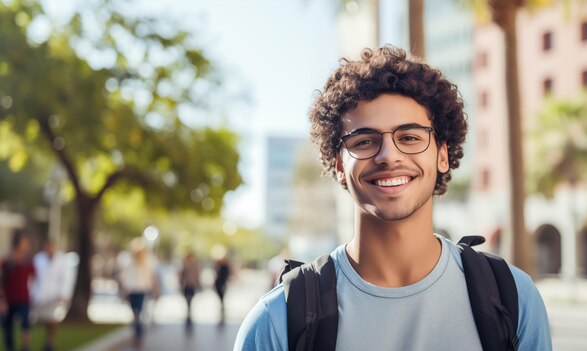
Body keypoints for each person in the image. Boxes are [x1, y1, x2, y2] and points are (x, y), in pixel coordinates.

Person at [234, 46, 552, 350]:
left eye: (410, 137)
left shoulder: (514, 297)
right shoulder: (276, 319)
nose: (389, 155)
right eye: (364, 140)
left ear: (442, 154)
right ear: (340, 165)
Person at [32, 237, 70, 351]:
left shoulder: (61, 259)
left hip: (55, 295)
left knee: (53, 320)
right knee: (44, 320)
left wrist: (64, 294)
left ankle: (50, 343)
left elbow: (66, 279)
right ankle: (46, 342)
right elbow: (34, 279)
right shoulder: (38, 259)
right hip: (41, 296)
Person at [118, 241, 159, 349]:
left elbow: (152, 275)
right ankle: (137, 326)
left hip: (141, 288)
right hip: (132, 288)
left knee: (138, 310)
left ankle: (138, 328)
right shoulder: (130, 260)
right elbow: (125, 275)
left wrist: (154, 288)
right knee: (134, 309)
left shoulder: (147, 260)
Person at [0, 229, 36, 351]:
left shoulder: (28, 262)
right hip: (9, 300)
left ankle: (25, 347)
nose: (26, 245)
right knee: (8, 328)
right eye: (24, 242)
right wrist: (2, 301)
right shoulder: (7, 262)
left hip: (24, 299)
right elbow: (2, 283)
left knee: (26, 325)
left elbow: (34, 279)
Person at [179, 251, 201, 333]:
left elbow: (197, 276)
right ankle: (188, 315)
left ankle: (189, 314)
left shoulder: (195, 266)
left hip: (192, 286)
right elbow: (181, 276)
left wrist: (198, 285)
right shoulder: (184, 265)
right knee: (188, 301)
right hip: (186, 286)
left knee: (190, 301)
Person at [213, 254, 230, 325]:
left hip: (222, 285)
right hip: (218, 284)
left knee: (222, 299)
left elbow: (226, 276)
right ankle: (221, 310)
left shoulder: (225, 267)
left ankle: (222, 311)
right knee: (221, 299)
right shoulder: (218, 266)